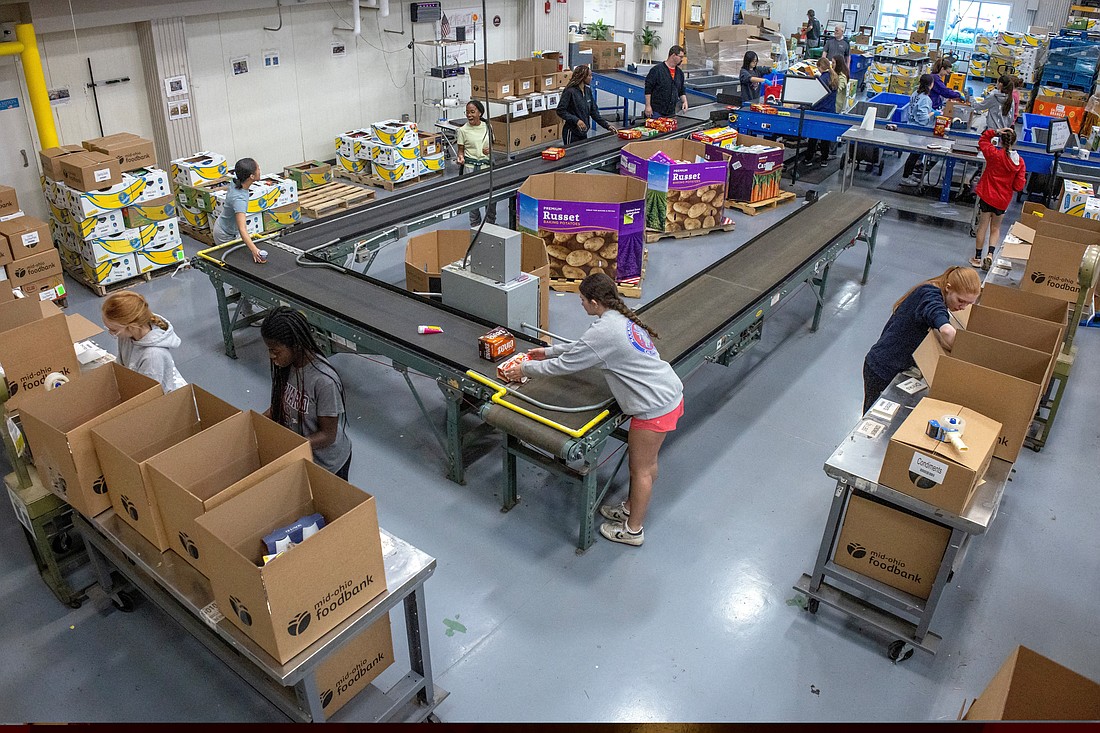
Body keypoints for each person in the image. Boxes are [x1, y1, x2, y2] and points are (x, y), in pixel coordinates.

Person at [501, 273, 684, 547]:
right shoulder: (619, 318)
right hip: (668, 393)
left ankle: (633, 530)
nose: (581, 304)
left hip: (654, 407)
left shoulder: (604, 331)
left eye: (583, 300)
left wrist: (524, 369)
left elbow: (566, 366)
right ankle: (630, 507)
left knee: (641, 470)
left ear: (595, 302)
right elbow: (585, 348)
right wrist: (549, 351)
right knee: (648, 465)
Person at [862, 266, 980, 414]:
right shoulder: (929, 295)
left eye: (969, 304)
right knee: (874, 415)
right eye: (961, 301)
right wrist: (970, 355)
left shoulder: (937, 292)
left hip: (898, 364)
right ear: (949, 288)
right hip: (882, 367)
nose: (963, 307)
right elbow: (945, 330)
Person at [260, 306, 353, 480]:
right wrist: (256, 421)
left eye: (275, 350)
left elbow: (327, 435)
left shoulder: (324, 381)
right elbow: (280, 406)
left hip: (329, 465)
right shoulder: (286, 367)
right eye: (269, 349)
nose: (271, 356)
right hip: (304, 454)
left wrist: (291, 446)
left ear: (296, 345)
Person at [213, 157, 266, 325]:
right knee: (242, 272)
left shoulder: (235, 182)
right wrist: (254, 250)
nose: (260, 169)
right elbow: (243, 229)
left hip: (226, 228)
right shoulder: (240, 199)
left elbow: (226, 185)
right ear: (251, 176)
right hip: (225, 235)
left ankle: (236, 293)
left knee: (238, 267)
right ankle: (247, 311)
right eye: (258, 168)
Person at [101, 290, 187, 394]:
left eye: (114, 330)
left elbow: (149, 394)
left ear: (132, 326)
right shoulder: (126, 335)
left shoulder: (153, 356)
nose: (111, 333)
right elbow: (121, 365)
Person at [971, 127, 1026, 270]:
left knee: (982, 226)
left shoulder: (994, 154)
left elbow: (983, 140)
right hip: (1002, 200)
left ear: (1000, 140)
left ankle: (977, 258)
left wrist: (995, 131)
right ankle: (990, 254)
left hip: (987, 196)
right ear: (1014, 142)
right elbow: (1019, 186)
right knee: (995, 228)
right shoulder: (1019, 162)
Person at [456, 100, 498, 227]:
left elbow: (492, 144)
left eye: (472, 112)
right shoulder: (462, 130)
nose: (469, 115)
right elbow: (460, 151)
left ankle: (490, 224)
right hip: (471, 168)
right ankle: (475, 226)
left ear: (480, 113)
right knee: (473, 199)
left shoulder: (487, 127)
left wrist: (490, 149)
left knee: (491, 198)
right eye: (467, 112)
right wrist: (460, 158)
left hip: (486, 167)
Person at [556, 65, 617, 146]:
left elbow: (594, 113)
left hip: (583, 132)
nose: (591, 78)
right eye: (589, 76)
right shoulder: (569, 91)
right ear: (582, 77)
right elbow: (560, 110)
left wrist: (607, 126)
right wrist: (576, 120)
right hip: (571, 132)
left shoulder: (588, 91)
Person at [899, 73, 937, 187]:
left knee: (914, 154)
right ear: (931, 84)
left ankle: (908, 174)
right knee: (914, 155)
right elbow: (923, 119)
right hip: (919, 130)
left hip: (911, 126)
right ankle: (905, 178)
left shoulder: (916, 93)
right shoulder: (925, 99)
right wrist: (933, 113)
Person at [801, 56, 838, 167]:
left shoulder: (822, 79)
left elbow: (815, 96)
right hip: (830, 111)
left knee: (813, 136)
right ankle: (824, 159)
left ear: (819, 67)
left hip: (818, 112)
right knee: (825, 136)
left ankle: (808, 159)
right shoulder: (834, 77)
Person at [644, 46, 689, 118]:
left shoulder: (680, 73)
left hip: (671, 112)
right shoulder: (657, 70)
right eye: (680, 57)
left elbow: (681, 89)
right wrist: (648, 106)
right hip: (657, 111)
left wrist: (685, 101)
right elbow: (648, 89)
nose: (682, 59)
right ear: (673, 55)